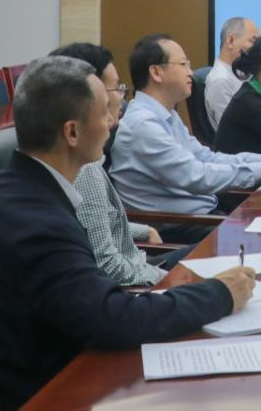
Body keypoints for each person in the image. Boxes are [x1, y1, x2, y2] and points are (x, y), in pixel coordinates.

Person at [0, 56, 255, 411]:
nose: (113, 121)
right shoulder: (34, 221)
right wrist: (219, 294)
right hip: (18, 398)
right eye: (104, 111)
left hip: (34, 373)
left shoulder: (15, 189)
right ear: (72, 133)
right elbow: (111, 319)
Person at [109, 34, 261, 241]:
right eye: (183, 64)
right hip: (178, 227)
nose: (190, 72)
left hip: (202, 216)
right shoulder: (144, 125)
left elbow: (206, 157)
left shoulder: (166, 116)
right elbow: (196, 176)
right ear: (156, 72)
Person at [50, 42, 173, 286]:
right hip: (135, 281)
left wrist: (142, 230)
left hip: (137, 264)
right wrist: (175, 280)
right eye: (117, 88)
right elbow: (107, 266)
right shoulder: (83, 167)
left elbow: (97, 223)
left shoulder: (81, 158)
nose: (122, 98)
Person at [205, 16, 259, 130]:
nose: (257, 48)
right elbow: (233, 130)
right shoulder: (220, 81)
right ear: (230, 41)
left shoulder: (241, 73)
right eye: (253, 41)